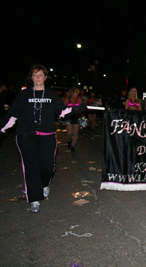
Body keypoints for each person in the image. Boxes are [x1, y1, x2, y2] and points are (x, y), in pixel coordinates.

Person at [0, 64, 86, 213]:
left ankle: (45, 183)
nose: (37, 78)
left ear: (45, 77)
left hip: (47, 136)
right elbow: (12, 115)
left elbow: (62, 112)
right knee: (31, 167)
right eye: (35, 75)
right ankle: (34, 198)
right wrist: (2, 128)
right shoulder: (24, 95)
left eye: (40, 75)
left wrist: (78, 108)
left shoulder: (52, 95)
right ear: (31, 78)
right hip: (27, 136)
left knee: (47, 166)